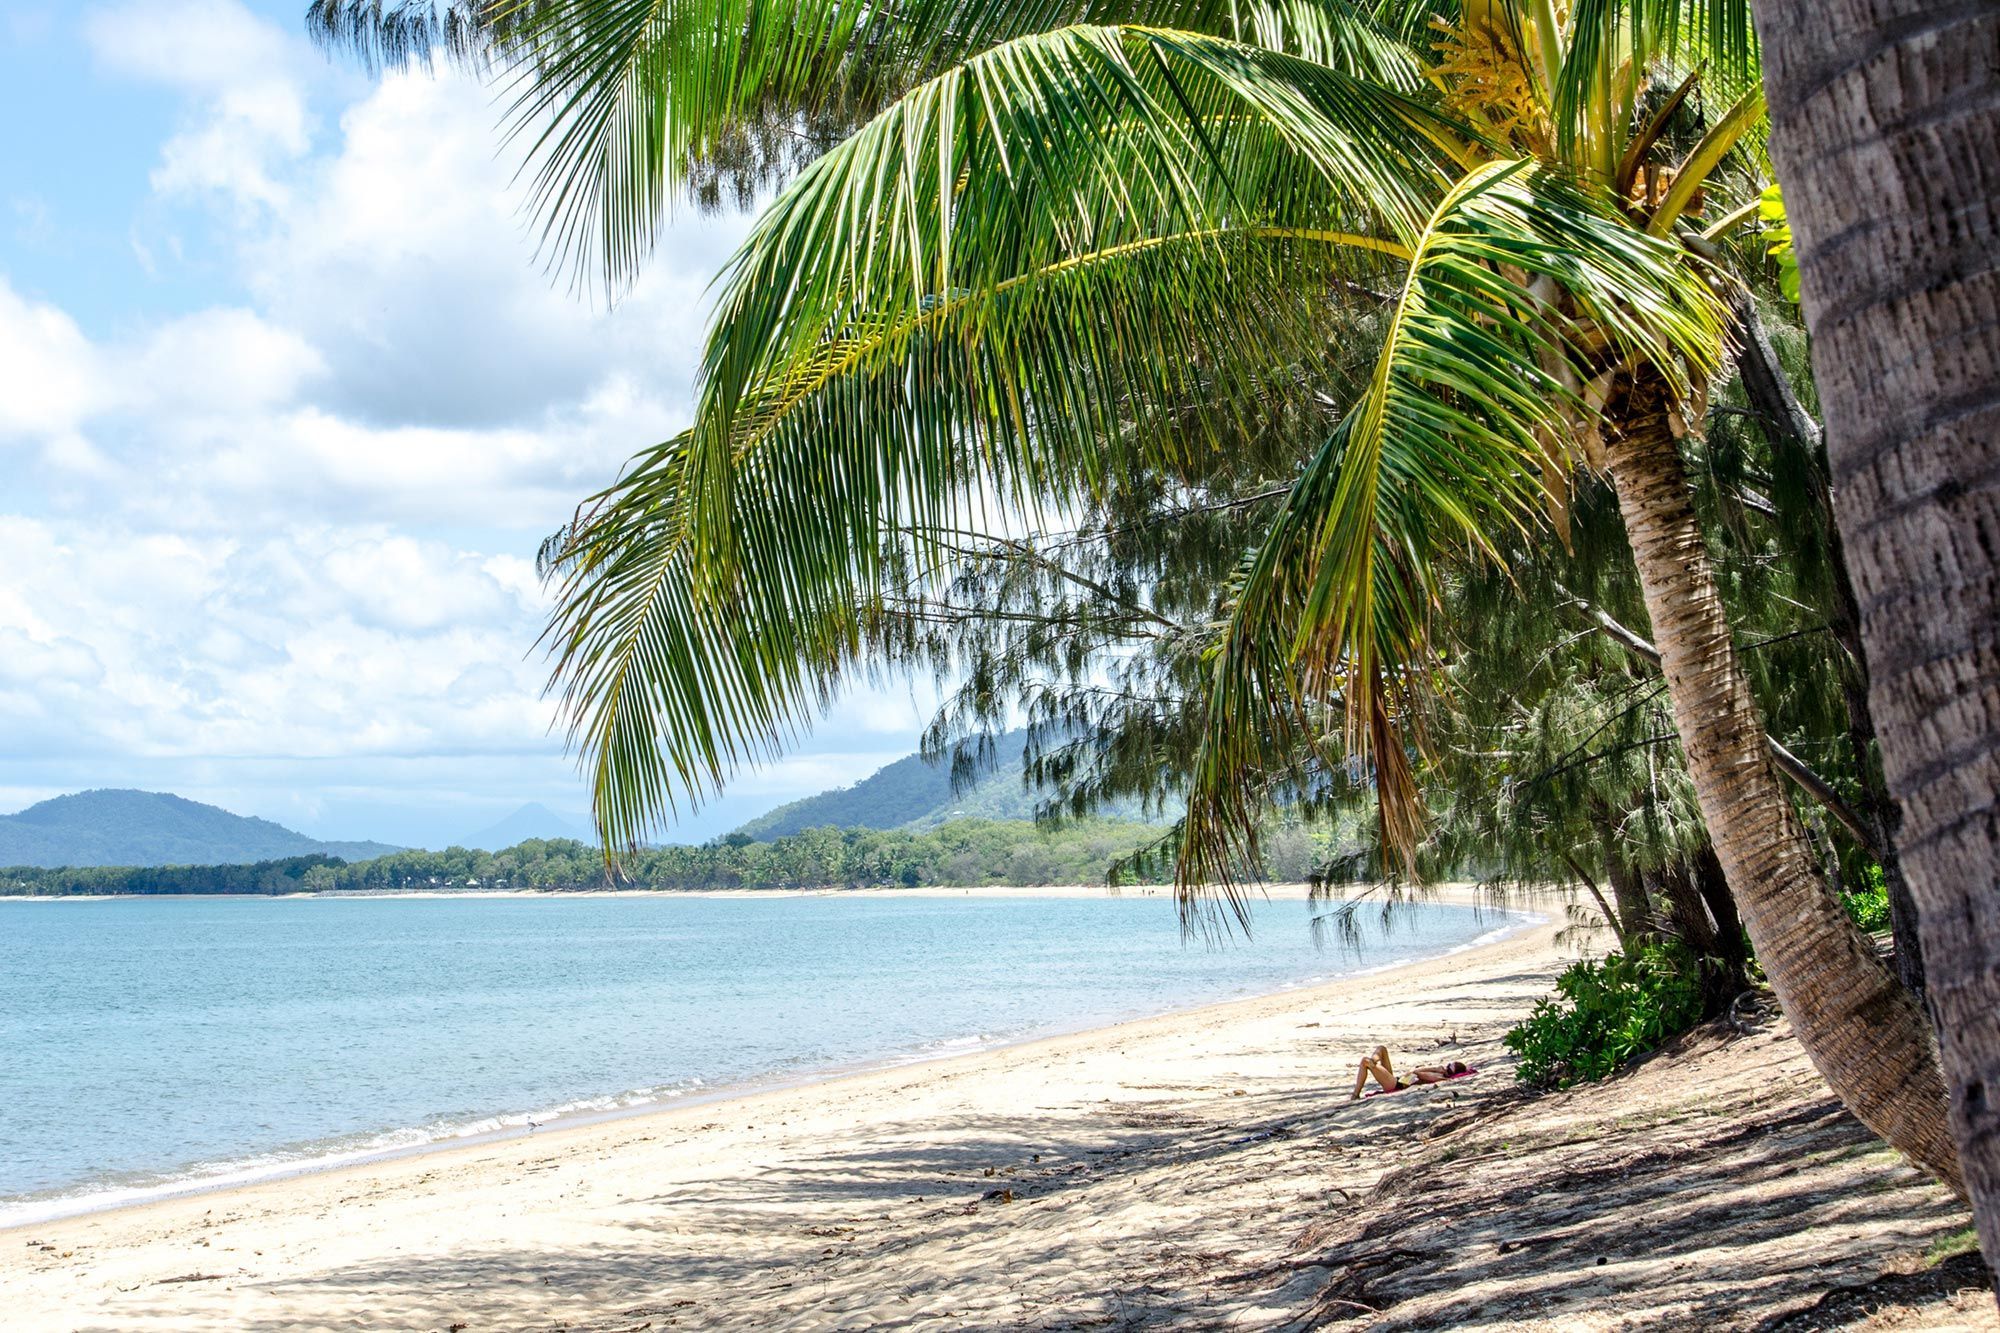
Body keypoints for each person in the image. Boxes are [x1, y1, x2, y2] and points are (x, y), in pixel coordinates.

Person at [1351, 1045, 1469, 1099]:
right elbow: (1415, 1073)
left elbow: (1417, 1074)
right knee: (1382, 1049)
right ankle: (1373, 1061)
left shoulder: (1440, 1077)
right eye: (1448, 1065)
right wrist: (1435, 1068)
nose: (1446, 1068)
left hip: (1397, 1085)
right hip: (1398, 1080)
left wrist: (1435, 1070)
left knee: (1364, 1061)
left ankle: (1355, 1095)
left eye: (1449, 1069)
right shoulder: (1440, 1072)